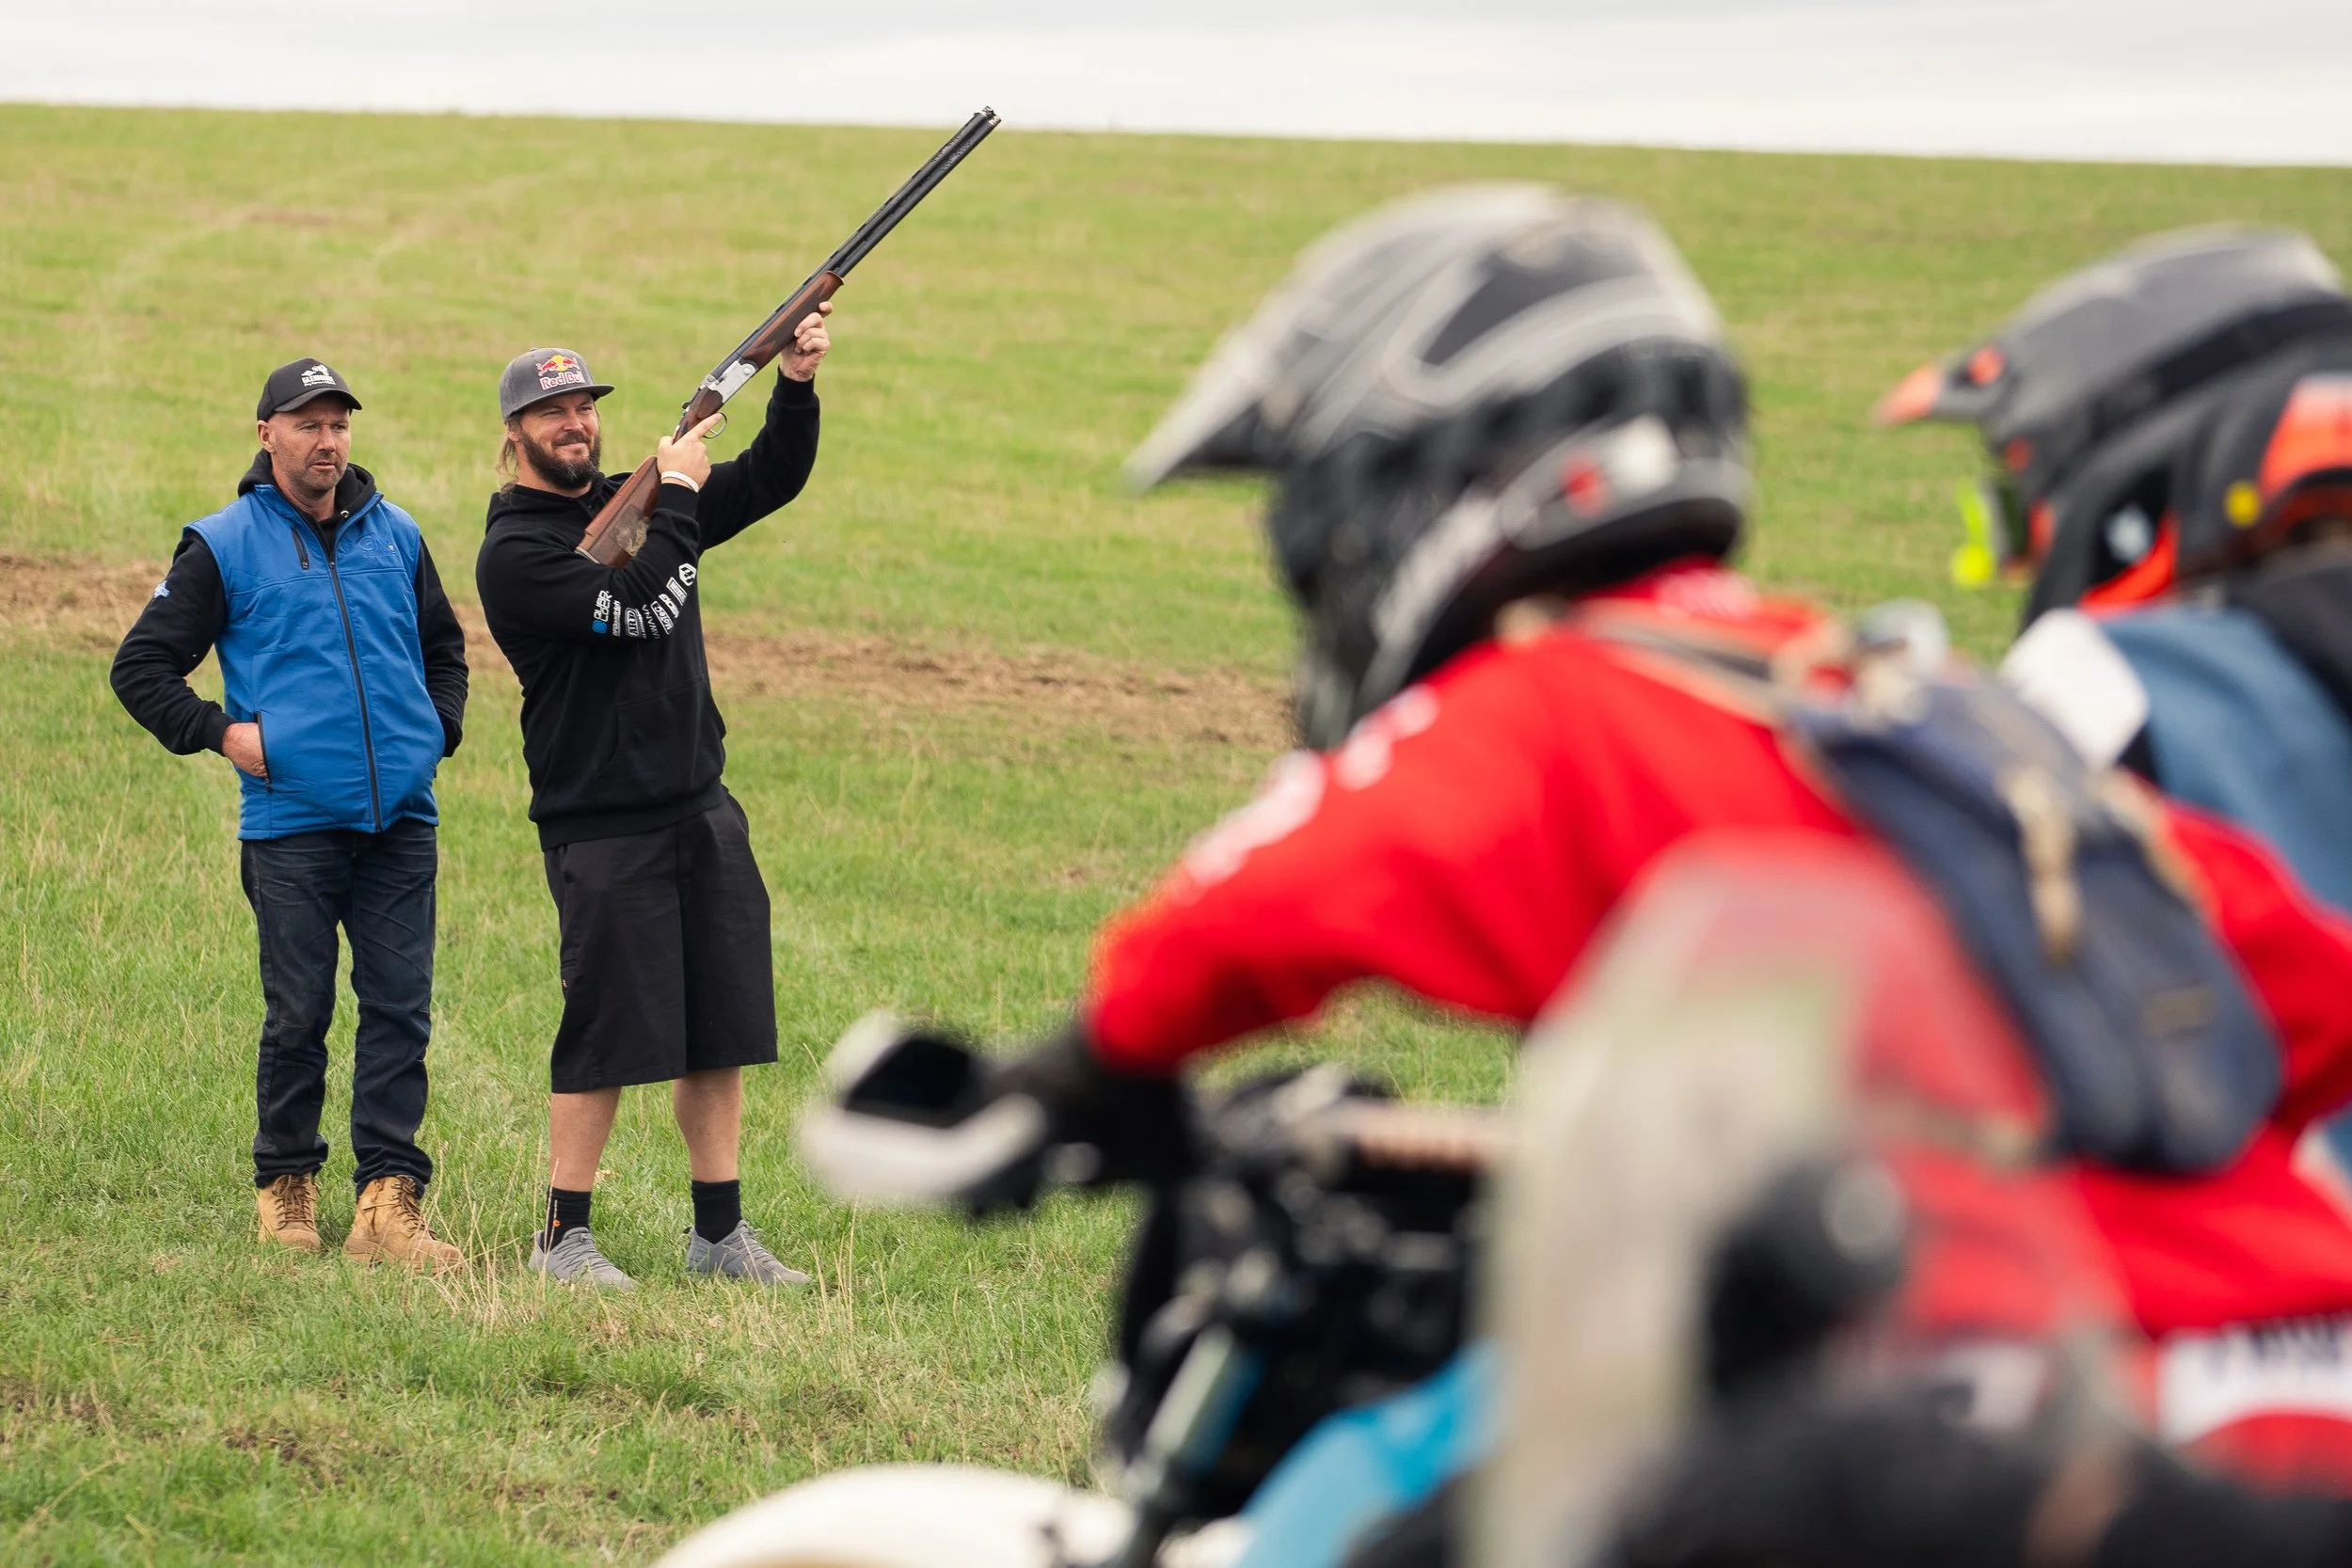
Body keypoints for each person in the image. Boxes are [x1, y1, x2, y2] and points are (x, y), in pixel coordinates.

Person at [890, 185, 2352, 1525]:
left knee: (1388, 1520)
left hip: (2030, 1430)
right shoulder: (1869, 683)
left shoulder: (1559, 697)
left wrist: (1068, 1072)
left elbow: (1261, 894)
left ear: (1439, 481)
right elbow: (2290, 979)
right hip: (2281, 1392)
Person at [474, 306, 831, 1291]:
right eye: (552, 412)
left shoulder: (639, 507)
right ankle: (562, 1236)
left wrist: (792, 384)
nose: (575, 422)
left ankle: (719, 1235)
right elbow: (643, 610)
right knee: (605, 1033)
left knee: (719, 1026)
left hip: (698, 804)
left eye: (584, 404)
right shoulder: (518, 555)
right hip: (601, 825)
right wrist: (674, 491)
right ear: (515, 435)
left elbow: (771, 478)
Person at [111, 356, 468, 1271]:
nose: (327, 439)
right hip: (291, 826)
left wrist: (436, 731)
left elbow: (444, 649)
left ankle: (388, 1206)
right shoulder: (225, 543)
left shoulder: (397, 533)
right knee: (298, 1011)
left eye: (339, 422)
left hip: (402, 821)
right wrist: (224, 733)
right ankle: (286, 1185)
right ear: (266, 432)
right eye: (307, 423)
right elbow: (142, 667)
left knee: (400, 1010)